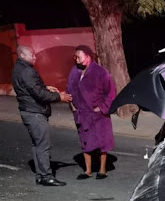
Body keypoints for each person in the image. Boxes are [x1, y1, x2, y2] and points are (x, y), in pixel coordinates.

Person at [12, 45, 72, 187]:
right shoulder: (27, 71)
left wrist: (46, 87)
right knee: (43, 145)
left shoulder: (19, 69)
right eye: (31, 55)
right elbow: (39, 94)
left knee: (37, 145)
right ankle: (46, 176)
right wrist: (59, 96)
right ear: (22, 56)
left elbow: (33, 89)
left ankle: (40, 175)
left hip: (28, 110)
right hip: (35, 113)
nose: (35, 57)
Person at [66, 45, 116, 180]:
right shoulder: (74, 71)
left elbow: (110, 93)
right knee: (85, 142)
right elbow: (69, 89)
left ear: (87, 56)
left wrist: (101, 108)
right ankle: (87, 170)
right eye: (75, 57)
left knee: (102, 142)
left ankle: (102, 169)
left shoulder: (101, 72)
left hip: (98, 115)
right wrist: (72, 105)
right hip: (81, 113)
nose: (76, 60)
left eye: (79, 57)